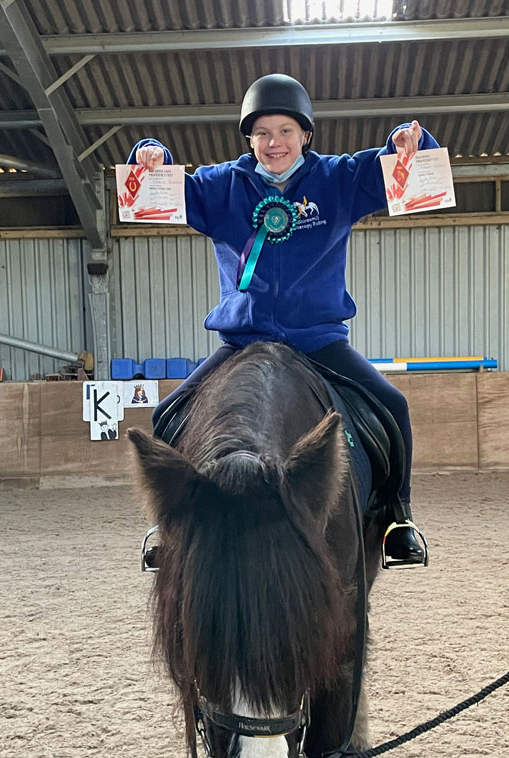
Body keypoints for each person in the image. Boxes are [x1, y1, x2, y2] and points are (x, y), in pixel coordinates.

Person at [128, 74, 436, 565]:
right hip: (242, 344)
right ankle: (171, 526)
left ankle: (398, 516)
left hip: (318, 341)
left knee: (393, 406)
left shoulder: (337, 179)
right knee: (166, 415)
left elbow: (402, 169)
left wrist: (409, 143)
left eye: (285, 131)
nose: (274, 143)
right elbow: (162, 188)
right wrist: (149, 155)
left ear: (305, 134)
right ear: (250, 139)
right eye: (263, 133)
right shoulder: (221, 186)